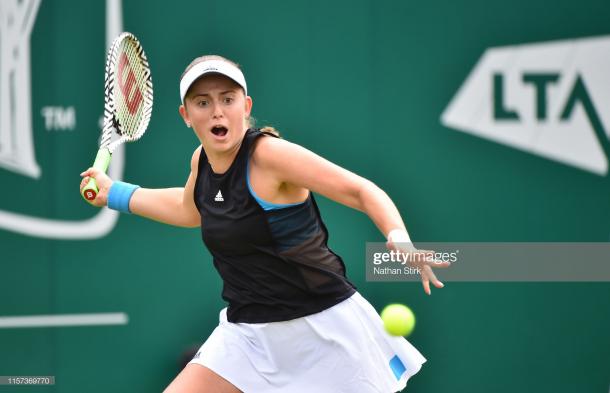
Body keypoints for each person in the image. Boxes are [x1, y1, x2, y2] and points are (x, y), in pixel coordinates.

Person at [80, 55, 448, 393]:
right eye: (202, 102)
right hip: (247, 336)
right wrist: (115, 194)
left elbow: (361, 191)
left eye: (228, 98)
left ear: (246, 105)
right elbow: (188, 208)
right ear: (186, 115)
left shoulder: (270, 156)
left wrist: (398, 236)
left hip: (322, 331)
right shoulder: (201, 161)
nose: (217, 112)